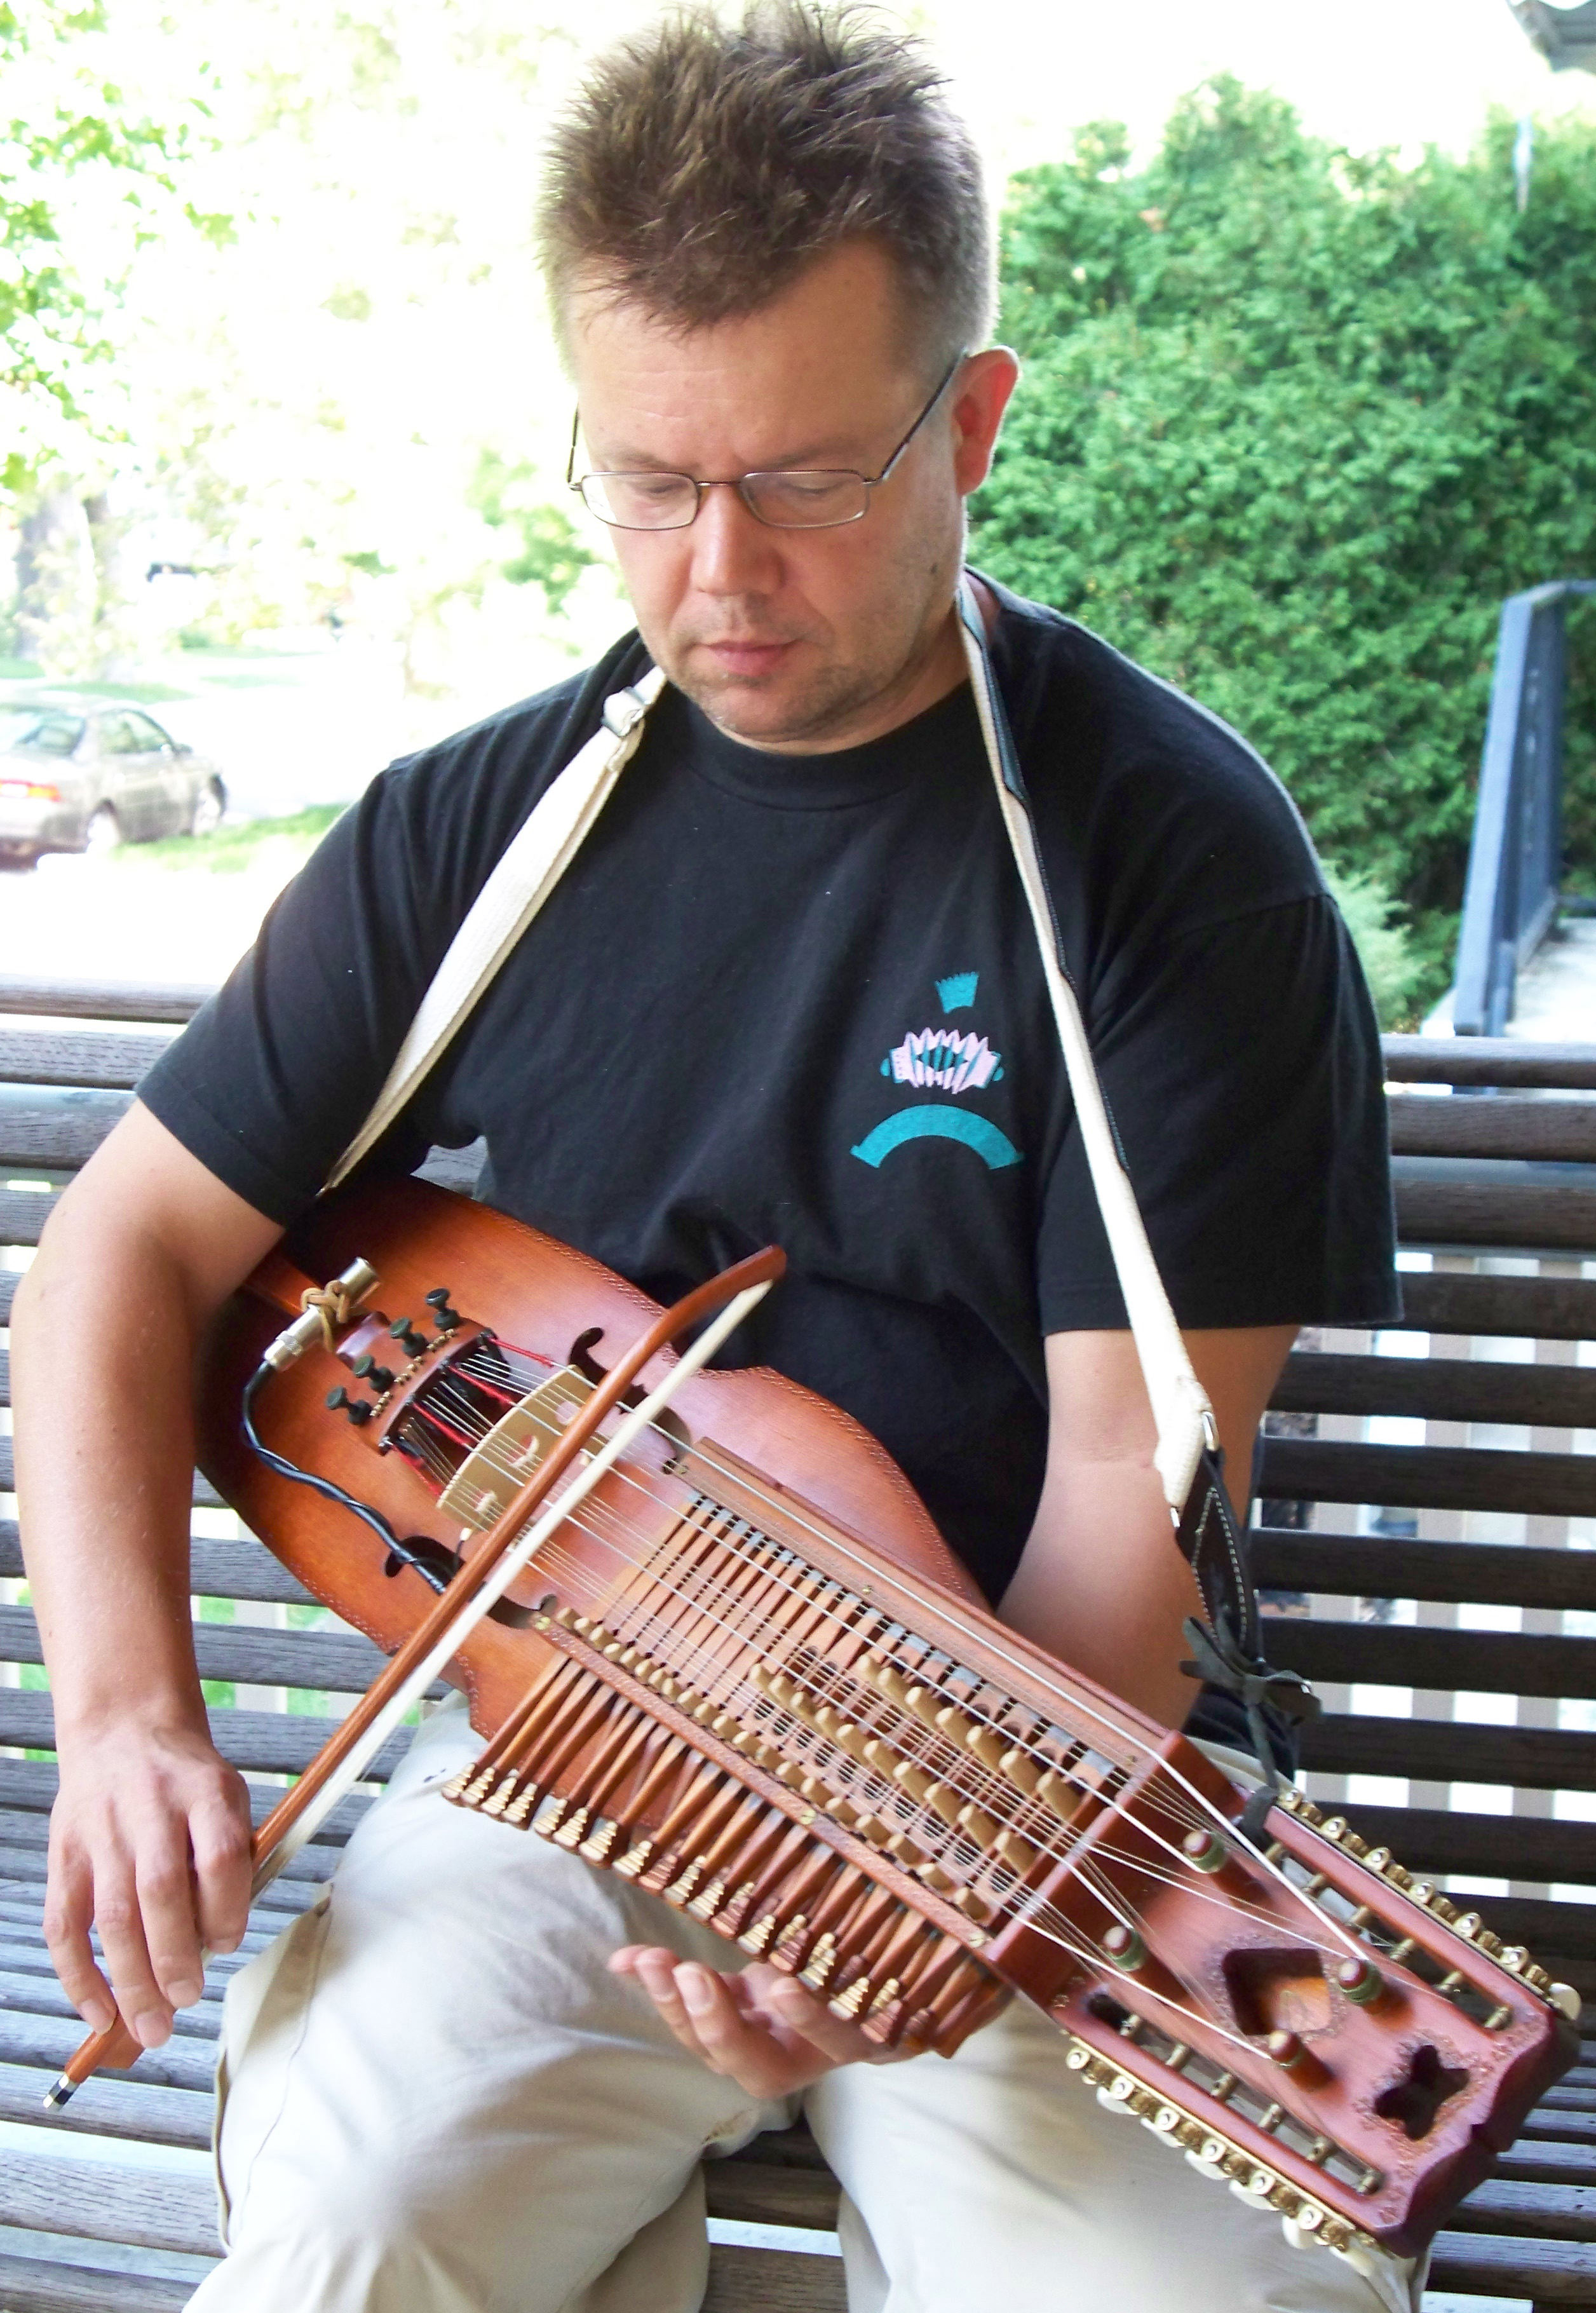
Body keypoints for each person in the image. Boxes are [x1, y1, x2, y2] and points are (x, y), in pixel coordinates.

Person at [13, 6, 1403, 2308]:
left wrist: (915, 1911)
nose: (718, 570)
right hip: (574, 1770)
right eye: (648, 481)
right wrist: (130, 1713)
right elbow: (121, 1258)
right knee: (350, 2230)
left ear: (971, 422)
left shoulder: (1170, 861)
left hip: (1040, 1784)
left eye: (806, 479)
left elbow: (1121, 1512)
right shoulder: (478, 828)